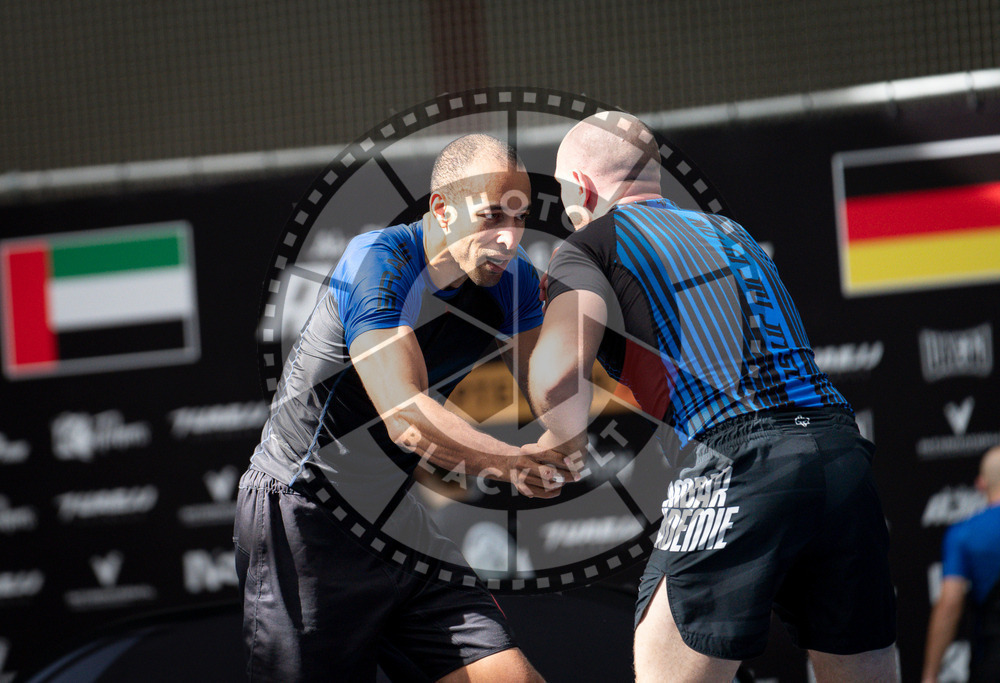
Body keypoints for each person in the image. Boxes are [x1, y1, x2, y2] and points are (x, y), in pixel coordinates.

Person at [526, 111, 899, 682]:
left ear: (584, 185)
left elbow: (556, 374)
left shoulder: (590, 243)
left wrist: (560, 438)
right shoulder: (733, 233)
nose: (568, 208)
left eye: (562, 190)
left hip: (737, 455)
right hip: (840, 452)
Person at [233, 133, 573, 682]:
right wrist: (511, 463)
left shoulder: (513, 281)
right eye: (491, 217)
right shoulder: (377, 261)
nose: (509, 239)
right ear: (441, 208)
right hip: (303, 517)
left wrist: (566, 432)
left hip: (396, 520)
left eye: (520, 218)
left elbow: (548, 389)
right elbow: (407, 420)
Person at [922, 444, 1000, 683]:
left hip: (996, 663)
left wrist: (930, 673)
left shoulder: (966, 533)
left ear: (981, 483)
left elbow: (950, 605)